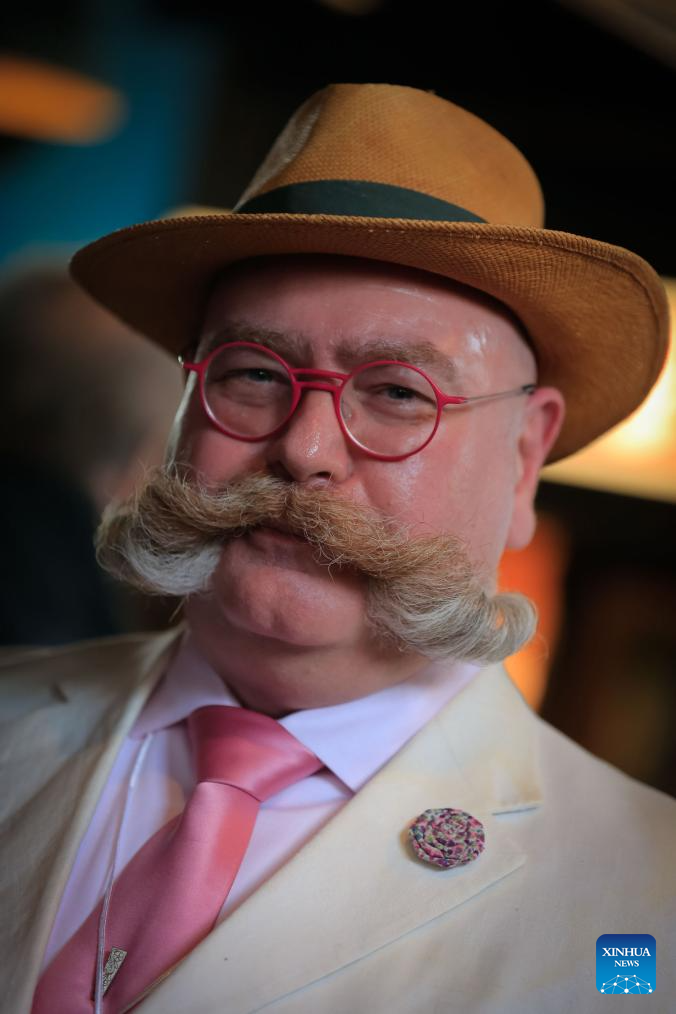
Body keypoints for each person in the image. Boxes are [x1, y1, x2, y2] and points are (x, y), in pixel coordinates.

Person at [1, 83, 673, 1014]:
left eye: (397, 393)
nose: (304, 449)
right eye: (251, 373)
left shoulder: (648, 903)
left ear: (524, 459)